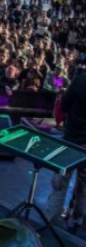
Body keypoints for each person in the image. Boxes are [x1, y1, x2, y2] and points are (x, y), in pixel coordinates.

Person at [46, 60, 86, 234]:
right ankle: (78, 219)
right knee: (84, 184)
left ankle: (53, 220)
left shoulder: (80, 80)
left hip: (71, 139)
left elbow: (64, 106)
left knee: (61, 180)